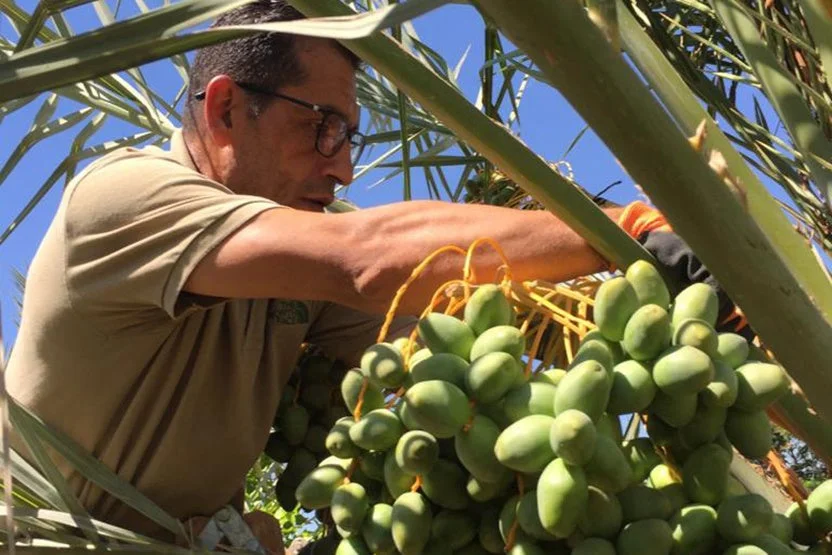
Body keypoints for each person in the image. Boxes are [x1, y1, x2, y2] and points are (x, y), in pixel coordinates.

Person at [4, 1, 744, 553]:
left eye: (349, 134)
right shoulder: (125, 196)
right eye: (321, 125)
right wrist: (628, 232)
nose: (343, 163)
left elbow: (473, 319)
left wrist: (684, 320)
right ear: (227, 107)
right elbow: (368, 257)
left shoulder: (285, 266)